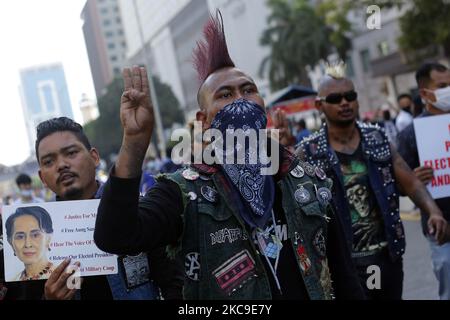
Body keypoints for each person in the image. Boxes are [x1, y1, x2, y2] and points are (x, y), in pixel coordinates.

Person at [94, 12, 364, 300]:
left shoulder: (306, 181)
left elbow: (344, 275)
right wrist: (134, 144)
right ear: (204, 119)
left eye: (249, 90)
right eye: (225, 94)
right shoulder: (183, 193)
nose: (240, 99)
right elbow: (115, 236)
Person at [297, 62, 447, 300]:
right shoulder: (308, 152)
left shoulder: (377, 138)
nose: (345, 102)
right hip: (343, 264)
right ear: (319, 105)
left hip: (386, 255)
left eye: (350, 96)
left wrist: (433, 211)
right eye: (335, 98)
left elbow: (411, 181)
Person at [1, 117, 183, 300]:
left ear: (94, 157)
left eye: (71, 153)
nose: (61, 165)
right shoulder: (34, 236)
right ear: (42, 178)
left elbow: (173, 280)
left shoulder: (137, 210)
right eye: (49, 162)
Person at [397, 62, 450, 300]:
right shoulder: (410, 135)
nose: (448, 90)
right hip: (441, 229)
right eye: (443, 86)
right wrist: (413, 180)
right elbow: (399, 185)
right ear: (425, 93)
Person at [5, 207, 55, 281]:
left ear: (48, 238)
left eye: (35, 235)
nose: (28, 244)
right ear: (10, 242)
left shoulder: (65, 275)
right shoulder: (12, 280)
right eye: (20, 237)